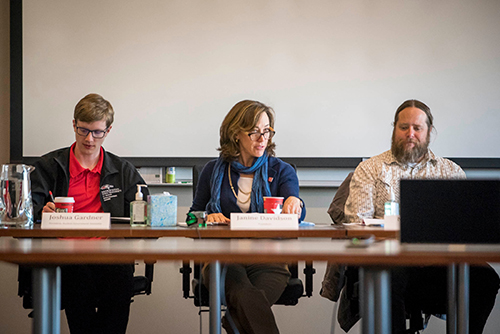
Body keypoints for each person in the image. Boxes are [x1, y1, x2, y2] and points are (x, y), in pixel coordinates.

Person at [340, 99, 499, 334]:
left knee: (484, 279)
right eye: (404, 127)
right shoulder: (370, 169)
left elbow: (463, 232)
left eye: (417, 128)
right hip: (390, 262)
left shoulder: (451, 172)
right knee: (387, 282)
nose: (410, 134)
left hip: (440, 267)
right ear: (394, 129)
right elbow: (356, 226)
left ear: (429, 132)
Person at [30, 93, 149, 334]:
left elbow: (145, 212)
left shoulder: (122, 170)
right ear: (74, 124)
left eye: (97, 132)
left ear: (108, 130)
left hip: (110, 253)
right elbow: (26, 211)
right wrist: (41, 211)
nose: (89, 139)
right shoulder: (48, 166)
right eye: (83, 130)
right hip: (64, 253)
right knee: (78, 277)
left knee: (120, 273)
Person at [190, 100, 306, 334]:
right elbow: (191, 218)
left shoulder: (282, 171)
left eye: (267, 131)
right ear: (235, 134)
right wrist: (206, 216)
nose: (262, 138)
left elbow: (297, 212)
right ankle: (233, 322)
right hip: (222, 259)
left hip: (269, 260)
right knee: (246, 298)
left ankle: (232, 322)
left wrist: (296, 202)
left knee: (246, 305)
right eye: (254, 132)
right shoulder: (212, 171)